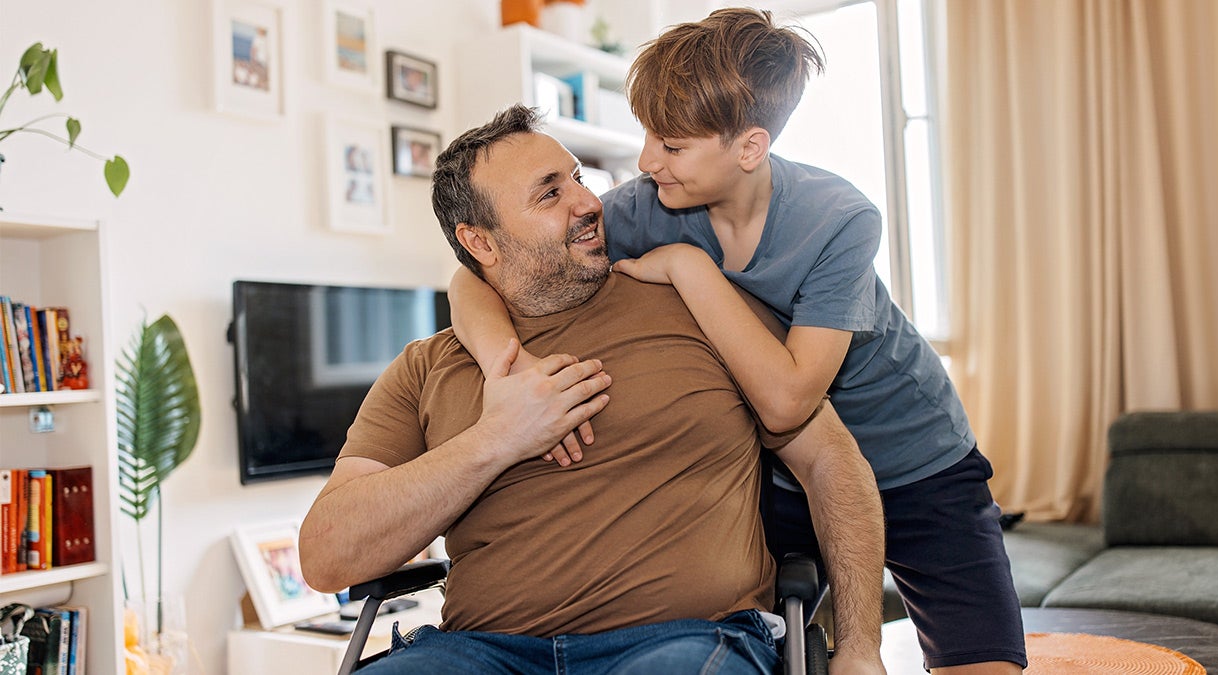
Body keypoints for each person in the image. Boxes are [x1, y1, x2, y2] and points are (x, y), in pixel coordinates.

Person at [447, 8, 1026, 674]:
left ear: (749, 147)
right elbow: (474, 276)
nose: (645, 160)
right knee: (754, 640)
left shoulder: (839, 219)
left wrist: (689, 270)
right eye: (646, 137)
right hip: (784, 472)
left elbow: (786, 401)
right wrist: (505, 365)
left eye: (670, 144)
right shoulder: (644, 208)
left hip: (919, 458)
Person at [298, 104, 887, 674]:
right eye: (550, 193)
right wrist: (496, 440)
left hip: (686, 639)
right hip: (480, 652)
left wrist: (860, 648)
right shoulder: (428, 366)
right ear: (480, 243)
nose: (588, 203)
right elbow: (327, 556)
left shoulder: (698, 311)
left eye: (578, 178)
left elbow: (832, 462)